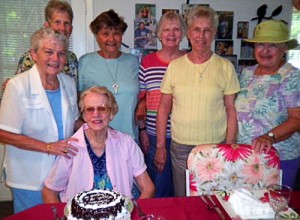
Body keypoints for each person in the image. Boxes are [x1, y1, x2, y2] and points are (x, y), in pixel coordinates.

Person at [156, 6, 240, 196]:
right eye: (196, 29)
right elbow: (163, 109)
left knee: (215, 197)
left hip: (215, 146)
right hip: (181, 149)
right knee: (184, 197)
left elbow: (230, 110)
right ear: (189, 33)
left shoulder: (225, 67)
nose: (201, 36)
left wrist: (229, 145)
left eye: (207, 30)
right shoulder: (175, 67)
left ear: (214, 33)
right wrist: (161, 146)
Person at [0, 27, 80, 213]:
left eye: (61, 53)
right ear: (34, 54)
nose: (55, 59)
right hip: (29, 174)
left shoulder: (67, 83)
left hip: (61, 171)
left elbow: (74, 120)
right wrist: (48, 147)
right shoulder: (17, 85)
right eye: (49, 52)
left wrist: (97, 127)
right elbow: (3, 133)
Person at [42, 86, 155, 203]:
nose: (96, 114)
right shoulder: (70, 147)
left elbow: (148, 188)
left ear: (111, 113)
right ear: (84, 116)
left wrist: (133, 213)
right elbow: (49, 191)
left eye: (102, 108)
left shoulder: (126, 143)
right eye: (90, 109)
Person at [235, 19, 300, 189]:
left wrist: (269, 137)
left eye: (272, 45)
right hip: (247, 154)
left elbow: (297, 119)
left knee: (274, 207)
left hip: (279, 157)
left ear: (284, 48)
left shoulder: (292, 76)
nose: (264, 50)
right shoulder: (247, 73)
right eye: (260, 44)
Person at [137, 11, 186, 197]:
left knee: (183, 189)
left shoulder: (190, 61)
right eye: (166, 29)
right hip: (154, 135)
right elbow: (142, 99)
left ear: (183, 33)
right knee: (158, 188)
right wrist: (142, 131)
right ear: (159, 33)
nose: (171, 34)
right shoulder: (147, 62)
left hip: (183, 135)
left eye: (176, 29)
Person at [79, 9, 139, 141]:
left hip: (130, 138)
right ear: (97, 37)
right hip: (96, 138)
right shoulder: (85, 62)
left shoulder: (133, 61)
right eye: (105, 33)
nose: (111, 39)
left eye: (116, 33)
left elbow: (141, 97)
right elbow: (78, 104)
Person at [2, 0, 78, 90]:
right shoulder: (31, 57)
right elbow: (20, 90)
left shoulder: (72, 58)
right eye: (57, 22)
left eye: (66, 23)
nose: (62, 28)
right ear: (46, 26)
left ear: (71, 29)